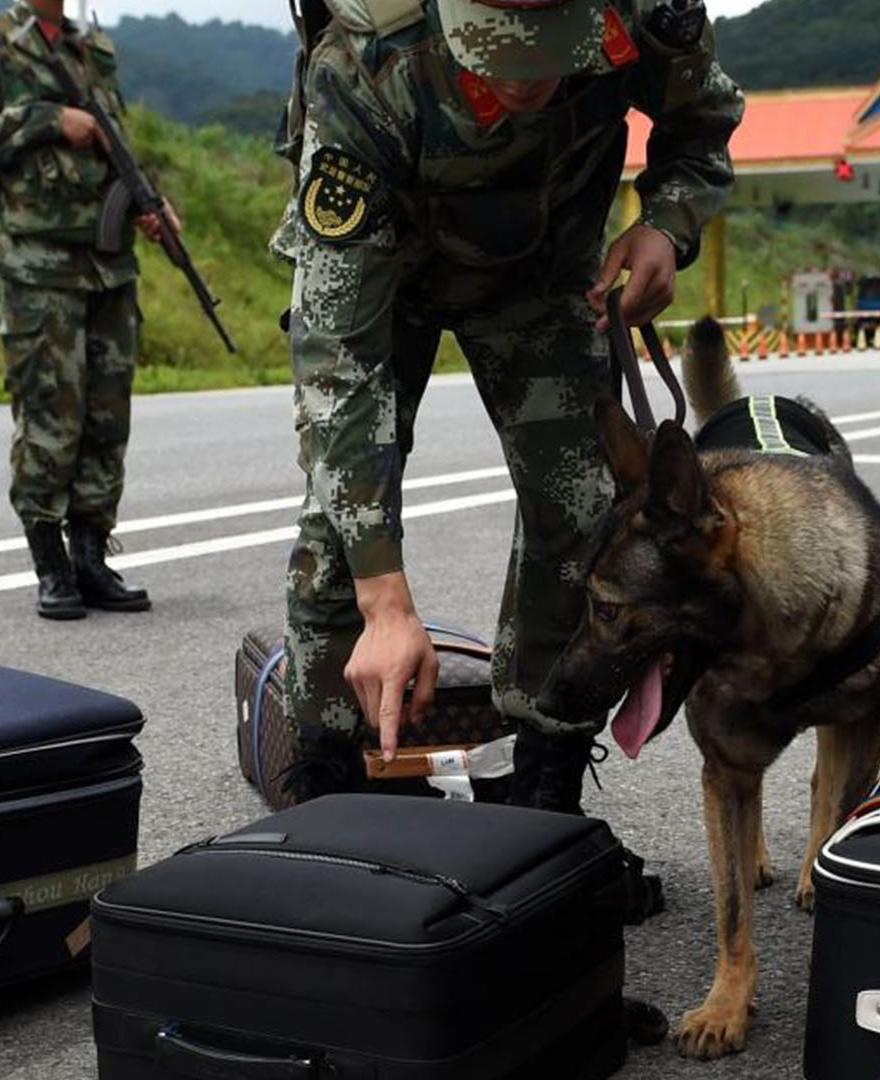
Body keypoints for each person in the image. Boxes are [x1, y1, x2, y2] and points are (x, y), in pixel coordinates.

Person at [269, 0, 743, 815]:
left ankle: (544, 795)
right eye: (496, 52)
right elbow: (340, 363)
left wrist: (666, 224)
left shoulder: (649, 12)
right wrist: (387, 604)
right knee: (339, 525)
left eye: (549, 48)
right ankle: (328, 791)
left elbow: (701, 127)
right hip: (389, 277)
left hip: (543, 272)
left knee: (585, 509)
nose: (524, 78)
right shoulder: (369, 63)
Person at [0, 0, 177, 619]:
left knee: (106, 416)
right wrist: (48, 119)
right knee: (51, 413)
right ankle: (51, 565)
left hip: (109, 264)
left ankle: (92, 558)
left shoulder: (91, 49)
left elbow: (113, 143)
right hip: (40, 266)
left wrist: (148, 202)